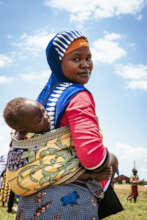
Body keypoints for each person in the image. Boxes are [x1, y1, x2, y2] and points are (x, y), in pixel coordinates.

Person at [12, 30, 122, 219]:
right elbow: (91, 157)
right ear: (57, 62)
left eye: (89, 58)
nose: (85, 64)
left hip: (31, 201)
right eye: (76, 59)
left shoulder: (43, 99)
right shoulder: (78, 96)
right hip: (69, 202)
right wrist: (110, 161)